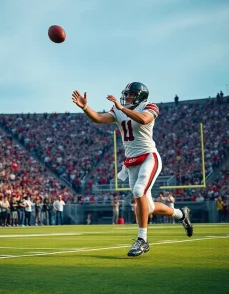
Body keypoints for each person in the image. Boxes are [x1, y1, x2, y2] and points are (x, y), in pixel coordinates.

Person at [72, 82, 193, 257]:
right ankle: (181, 214)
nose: (126, 96)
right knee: (148, 207)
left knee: (138, 191)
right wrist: (85, 108)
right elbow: (98, 118)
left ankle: (142, 240)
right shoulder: (119, 109)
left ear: (138, 96)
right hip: (131, 163)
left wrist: (122, 108)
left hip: (149, 157)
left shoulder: (149, 106)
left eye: (129, 94)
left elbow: (144, 119)